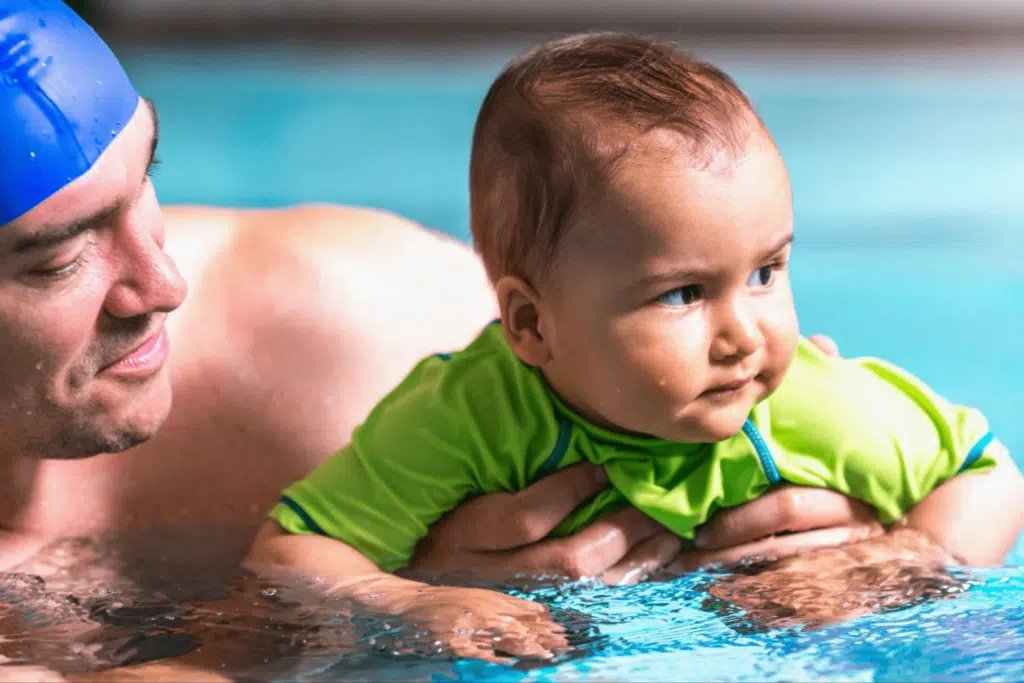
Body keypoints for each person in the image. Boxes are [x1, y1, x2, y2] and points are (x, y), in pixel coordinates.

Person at [0, 2, 1019, 676]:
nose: (165, 284)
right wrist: (399, 605)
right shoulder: (453, 410)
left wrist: (897, 550)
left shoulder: (332, 320)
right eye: (56, 257)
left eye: (150, 180)